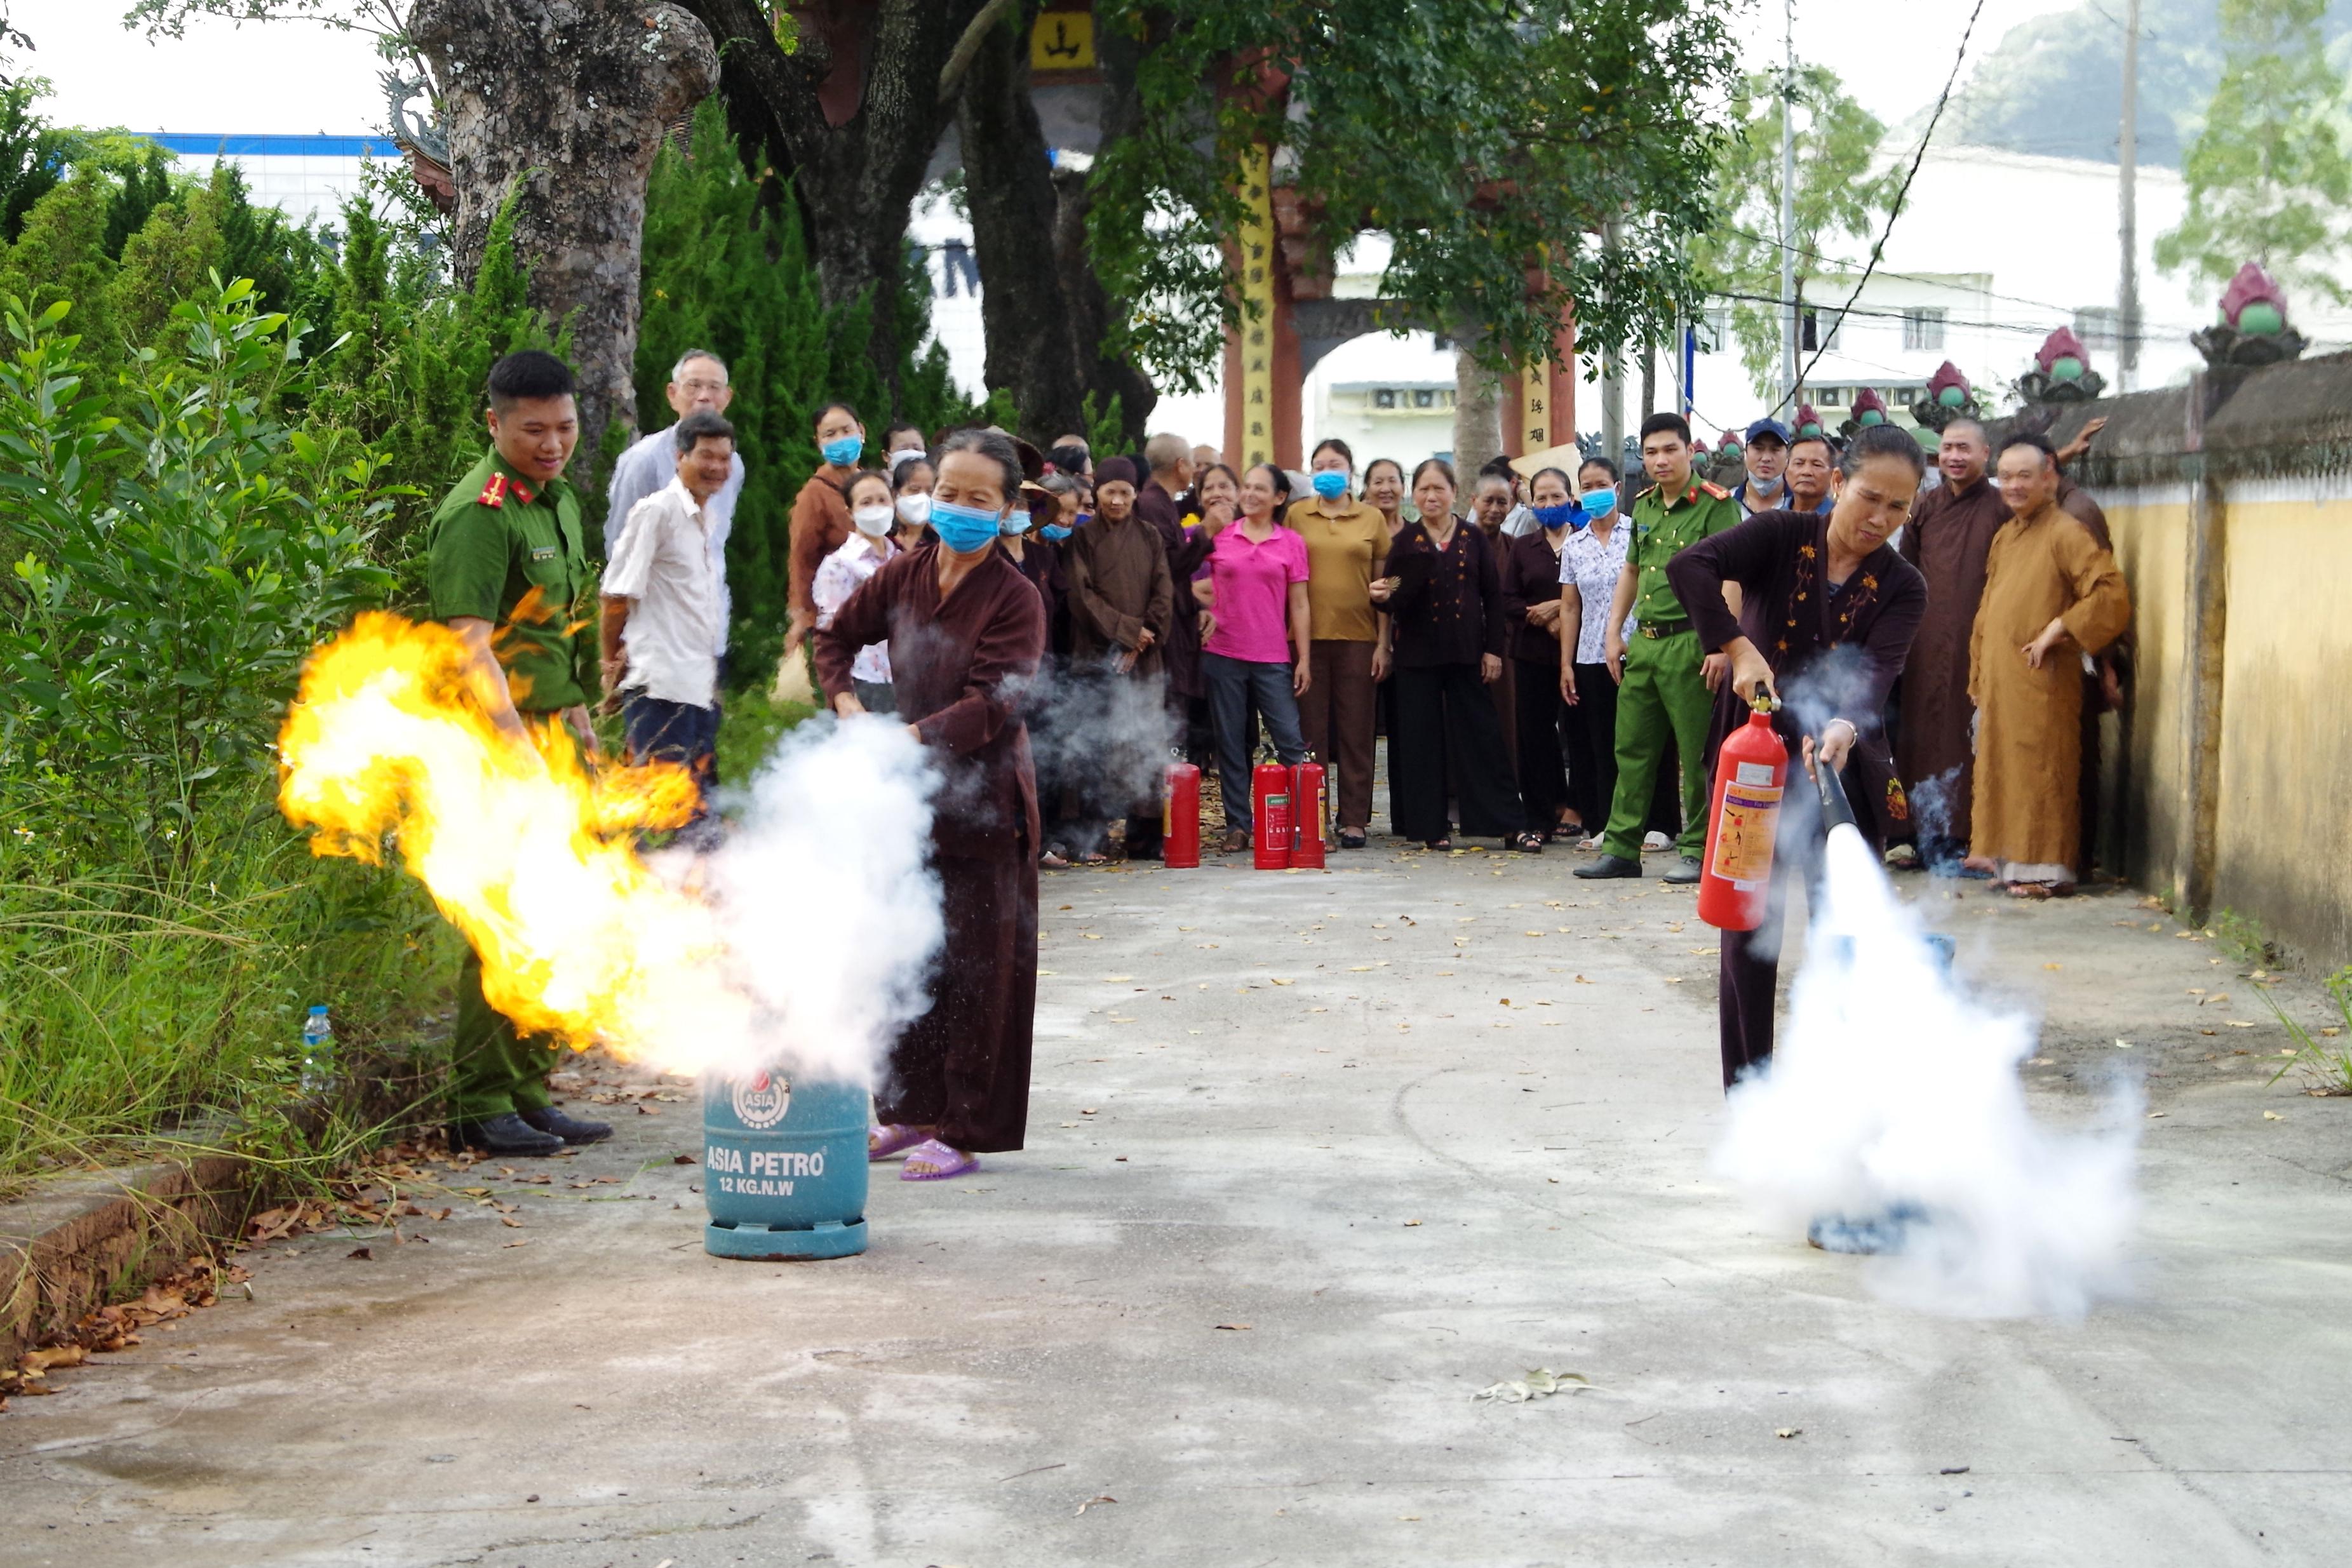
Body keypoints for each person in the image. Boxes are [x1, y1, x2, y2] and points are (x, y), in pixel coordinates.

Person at [1666, 422, 1931, 1087]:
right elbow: (1688, 567)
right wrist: (1735, 645)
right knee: (1748, 931)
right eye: (1870, 497)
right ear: (1837, 483)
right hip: (1752, 764)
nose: (1880, 519)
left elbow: (1876, 673)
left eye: (1898, 507)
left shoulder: (1903, 586)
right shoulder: (1781, 535)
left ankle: (1833, 1098)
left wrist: (1844, 724)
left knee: (1843, 935)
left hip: (1838, 774)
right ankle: (1748, 1095)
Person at [817, 427, 1047, 1183]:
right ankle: (908, 1114)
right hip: (909, 802)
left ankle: (963, 1126)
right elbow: (834, 637)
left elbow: (992, 705)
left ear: (1008, 509)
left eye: (979, 499)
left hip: (986, 807)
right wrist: (848, 705)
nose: (958, 507)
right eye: (948, 492)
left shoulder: (1018, 599)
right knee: (910, 955)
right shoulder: (904, 575)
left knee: (980, 970)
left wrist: (905, 738)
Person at [426, 350, 611, 1157]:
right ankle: (480, 1101)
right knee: (502, 919)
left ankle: (532, 1088)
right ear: (493, 422)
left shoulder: (558, 501)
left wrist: (578, 717)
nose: (553, 443)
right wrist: (516, 749)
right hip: (497, 745)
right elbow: (469, 645)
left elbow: (553, 630)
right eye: (533, 429)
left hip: (555, 732)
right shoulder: (480, 511)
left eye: (565, 427)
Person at [1576, 412, 1742, 883]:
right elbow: (1631, 571)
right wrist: (1612, 632)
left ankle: (1696, 848)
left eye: (1670, 449)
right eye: (1650, 452)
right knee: (1631, 749)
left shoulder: (1715, 506)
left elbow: (1731, 576)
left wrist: (1722, 642)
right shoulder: (1644, 506)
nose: (1660, 459)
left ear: (1690, 452)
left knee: (1696, 754)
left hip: (1692, 644)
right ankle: (1622, 849)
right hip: (1644, 645)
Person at [1967, 433, 2132, 897]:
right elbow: (1987, 612)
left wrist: (2058, 627)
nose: (2014, 486)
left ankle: (2047, 871)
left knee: (2041, 771)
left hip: (2043, 680)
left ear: (2048, 478)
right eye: (2006, 477)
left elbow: (2109, 593)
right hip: (2004, 680)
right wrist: (1978, 675)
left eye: (2025, 476)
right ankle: (2010, 861)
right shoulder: (2007, 534)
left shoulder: (2065, 530)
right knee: (2002, 768)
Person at [1381, 459, 1540, 852]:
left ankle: (1505, 824)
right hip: (1417, 657)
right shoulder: (1406, 542)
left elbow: (1492, 597)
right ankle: (1429, 826)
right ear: (1412, 495)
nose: (1431, 497)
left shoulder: (1472, 538)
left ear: (1455, 492)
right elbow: (1395, 596)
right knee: (1423, 739)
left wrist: (1493, 650)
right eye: (1423, 490)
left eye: (1439, 489)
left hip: (1468, 652)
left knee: (1482, 737)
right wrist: (1382, 596)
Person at [599, 408, 735, 839]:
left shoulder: (706, 517)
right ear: (680, 456)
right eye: (706, 456)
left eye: (724, 458)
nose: (716, 467)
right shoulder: (655, 512)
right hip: (660, 688)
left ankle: (690, 891)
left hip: (696, 688)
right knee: (664, 809)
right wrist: (609, 664)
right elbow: (616, 596)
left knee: (693, 803)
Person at [1895, 417, 2007, 870]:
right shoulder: (1923, 506)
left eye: (1964, 448)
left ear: (1985, 454)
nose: (1954, 457)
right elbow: (1903, 570)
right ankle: (1921, 836)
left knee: (1969, 739)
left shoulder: (2001, 506)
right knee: (1919, 738)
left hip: (1977, 642)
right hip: (1924, 643)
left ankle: (1968, 838)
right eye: (1947, 448)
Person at [1196, 464, 1313, 852]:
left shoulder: (1291, 542)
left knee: (1290, 741)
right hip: (1223, 652)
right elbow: (1190, 580)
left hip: (1272, 656)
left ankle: (1306, 823)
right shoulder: (1221, 536)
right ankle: (1238, 826)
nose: (1250, 494)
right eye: (1246, 487)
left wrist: (1304, 659)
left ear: (1279, 498)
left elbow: (1299, 605)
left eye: (1260, 489)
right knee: (1230, 743)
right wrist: (1202, 609)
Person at [1063, 455, 1174, 861]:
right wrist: (1125, 633)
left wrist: (1139, 641)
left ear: (1135, 495)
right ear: (1097, 493)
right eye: (1110, 491)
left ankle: (1145, 837)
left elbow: (1164, 593)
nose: (1116, 500)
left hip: (1144, 660)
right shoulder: (1082, 539)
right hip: (1095, 658)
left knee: (1144, 744)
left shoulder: (1150, 537)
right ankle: (1091, 838)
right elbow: (1081, 595)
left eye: (1125, 492)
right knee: (1094, 746)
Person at [1284, 438, 1390, 849]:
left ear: (1351, 471)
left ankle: (1353, 819)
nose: (1328, 470)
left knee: (1355, 731)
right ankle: (1314, 816)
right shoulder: (1296, 515)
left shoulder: (1371, 518)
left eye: (1336, 463)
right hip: (1306, 642)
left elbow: (1386, 582)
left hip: (1360, 638)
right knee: (1310, 733)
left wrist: (1384, 643)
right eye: (1320, 464)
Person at [1555, 458, 1636, 848]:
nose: (1594, 492)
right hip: (1589, 656)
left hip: (1637, 651)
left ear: (1618, 488)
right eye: (1586, 486)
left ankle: (1656, 825)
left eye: (1600, 484)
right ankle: (1605, 824)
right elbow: (1570, 607)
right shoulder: (1574, 544)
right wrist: (1566, 663)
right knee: (1599, 744)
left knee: (1640, 742)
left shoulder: (1639, 532)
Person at [1500, 466, 1582, 839]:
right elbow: (1509, 600)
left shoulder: (1584, 542)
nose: (1550, 504)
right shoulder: (1523, 547)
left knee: (1579, 732)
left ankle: (1580, 809)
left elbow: (1597, 596)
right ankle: (1540, 814)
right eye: (1542, 498)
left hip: (1580, 655)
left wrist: (1556, 607)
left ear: (1571, 499)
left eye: (1557, 497)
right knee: (1534, 735)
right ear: (1531, 503)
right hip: (1532, 653)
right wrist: (1546, 618)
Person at [1137, 432, 1214, 810]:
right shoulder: (1153, 504)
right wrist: (1205, 536)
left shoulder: (1163, 502)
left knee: (1175, 725)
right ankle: (1157, 821)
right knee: (1165, 726)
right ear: (1182, 466)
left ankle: (1169, 820)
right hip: (1164, 637)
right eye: (1193, 464)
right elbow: (1166, 570)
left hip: (1178, 627)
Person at [811, 469, 901, 714]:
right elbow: (830, 632)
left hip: (905, 679)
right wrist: (842, 693)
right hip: (862, 678)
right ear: (850, 513)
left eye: (883, 500)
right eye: (866, 502)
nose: (876, 508)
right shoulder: (839, 565)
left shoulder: (904, 561)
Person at [783, 401, 866, 666]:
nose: (840, 440)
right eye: (830, 435)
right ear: (818, 442)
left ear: (861, 431)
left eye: (846, 430)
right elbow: (801, 558)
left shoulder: (873, 484)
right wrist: (801, 616)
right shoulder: (814, 494)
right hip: (838, 614)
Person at [1731, 418, 1792, 516]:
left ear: (1787, 457)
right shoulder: (1727, 503)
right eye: (1758, 449)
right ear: (1745, 454)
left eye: (1775, 450)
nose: (1766, 458)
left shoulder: (1800, 504)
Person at [890, 453, 937, 551]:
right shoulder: (885, 540)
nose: (923, 497)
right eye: (914, 490)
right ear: (895, 495)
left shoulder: (939, 544)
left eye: (930, 492)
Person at [1784, 432, 1836, 516]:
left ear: (1833, 475)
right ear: (1786, 471)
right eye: (1799, 463)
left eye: (1817, 465)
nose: (1806, 472)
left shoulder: (1840, 519)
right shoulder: (1772, 519)